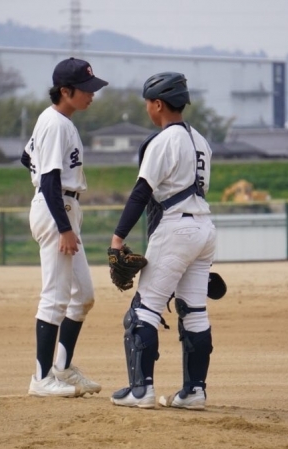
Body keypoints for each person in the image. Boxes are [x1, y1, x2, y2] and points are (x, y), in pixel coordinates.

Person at [109, 72, 217, 410]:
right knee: (193, 311)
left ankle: (140, 390)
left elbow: (141, 193)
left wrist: (117, 238)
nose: (147, 108)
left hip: (176, 229)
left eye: (147, 102)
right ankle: (194, 392)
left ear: (158, 104)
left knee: (142, 312)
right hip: (205, 229)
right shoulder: (201, 141)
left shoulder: (164, 140)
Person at [21, 57, 108, 397]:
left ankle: (62, 368)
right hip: (57, 210)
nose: (92, 94)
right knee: (55, 298)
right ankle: (41, 379)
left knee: (82, 296)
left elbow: (26, 157)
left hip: (64, 208)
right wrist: (64, 228)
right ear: (66, 91)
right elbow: (49, 180)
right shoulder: (56, 124)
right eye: (85, 89)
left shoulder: (57, 120)